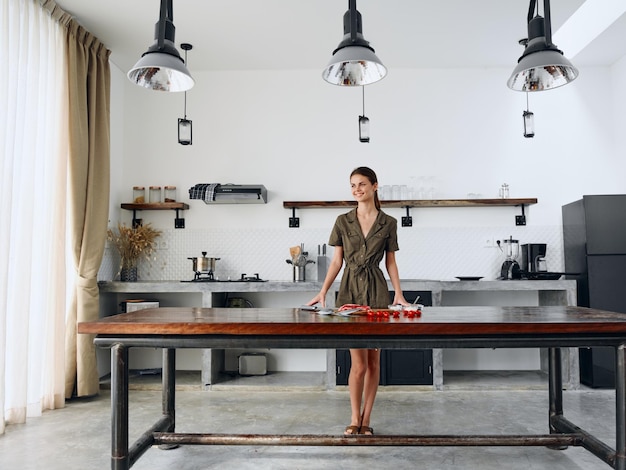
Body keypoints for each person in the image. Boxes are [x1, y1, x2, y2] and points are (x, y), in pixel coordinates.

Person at [307, 166, 410, 436]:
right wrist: (323, 291)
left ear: (375, 186)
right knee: (358, 364)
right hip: (349, 293)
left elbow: (391, 262)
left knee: (374, 362)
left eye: (362, 184)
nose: (357, 189)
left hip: (376, 293)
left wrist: (398, 294)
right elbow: (337, 262)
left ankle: (366, 419)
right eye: (353, 185)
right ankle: (354, 418)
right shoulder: (343, 221)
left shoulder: (388, 223)